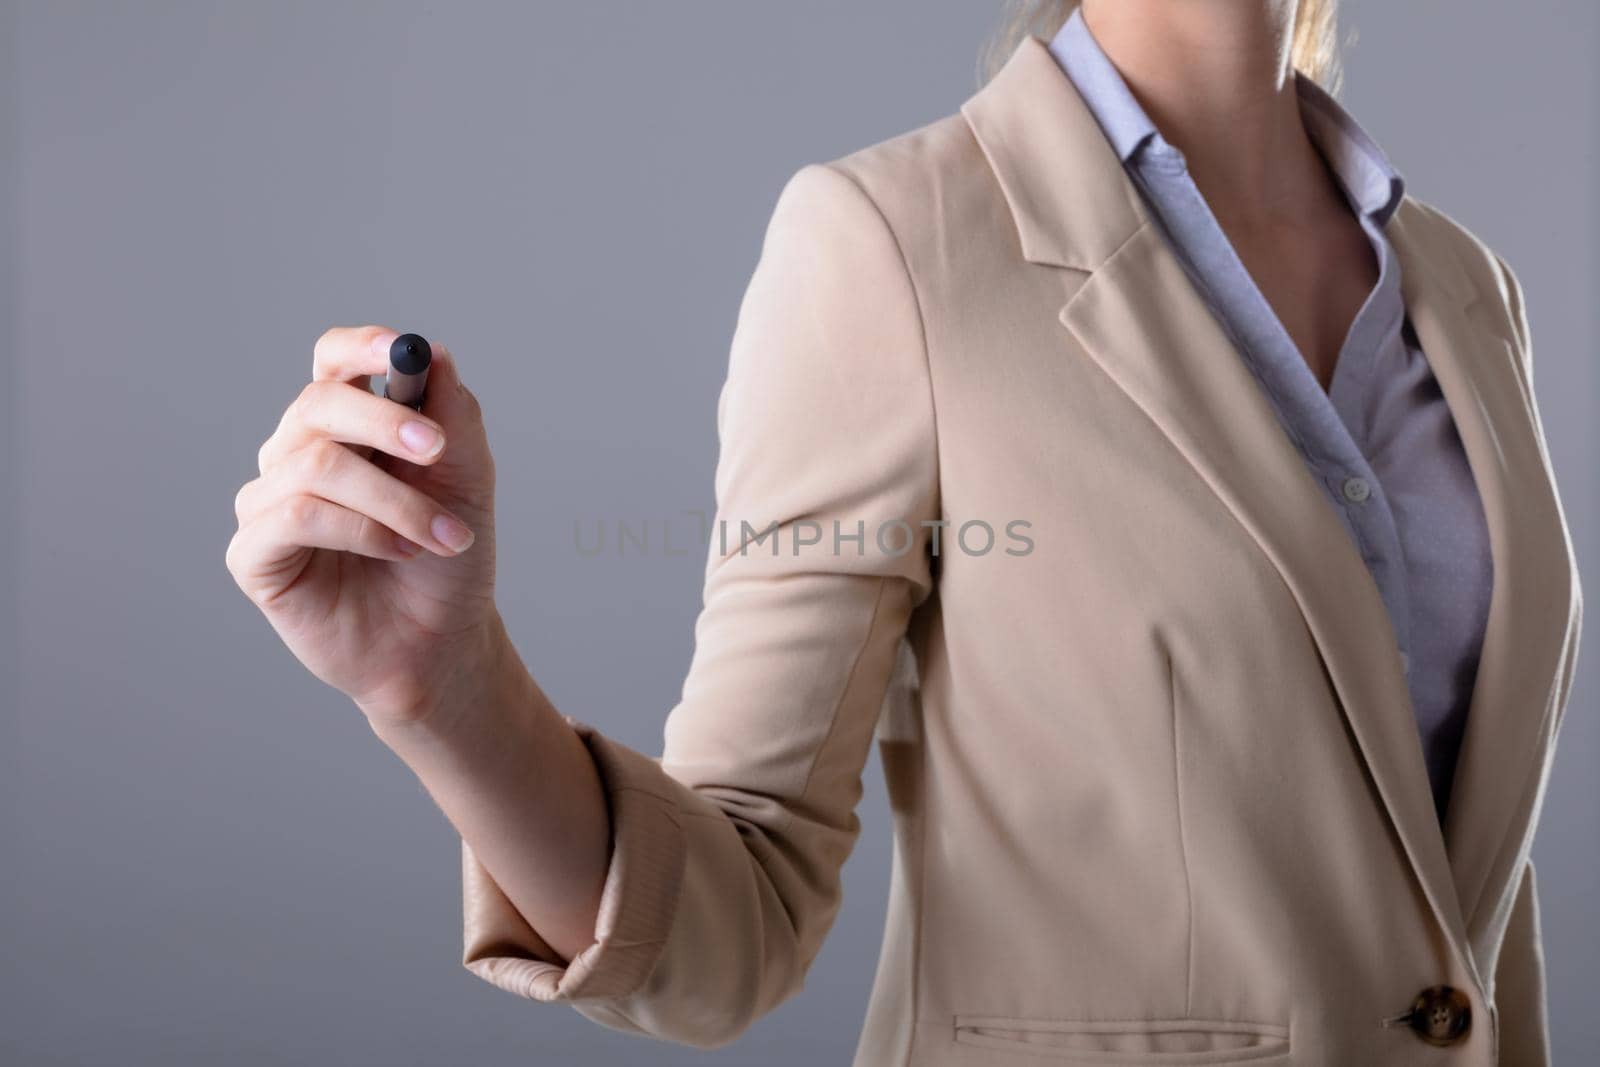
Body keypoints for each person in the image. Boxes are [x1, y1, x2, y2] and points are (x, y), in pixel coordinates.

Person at [225, 1, 1582, 1063]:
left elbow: (1452, 896)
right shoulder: (894, 245)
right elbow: (734, 920)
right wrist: (447, 696)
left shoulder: (1466, 289)